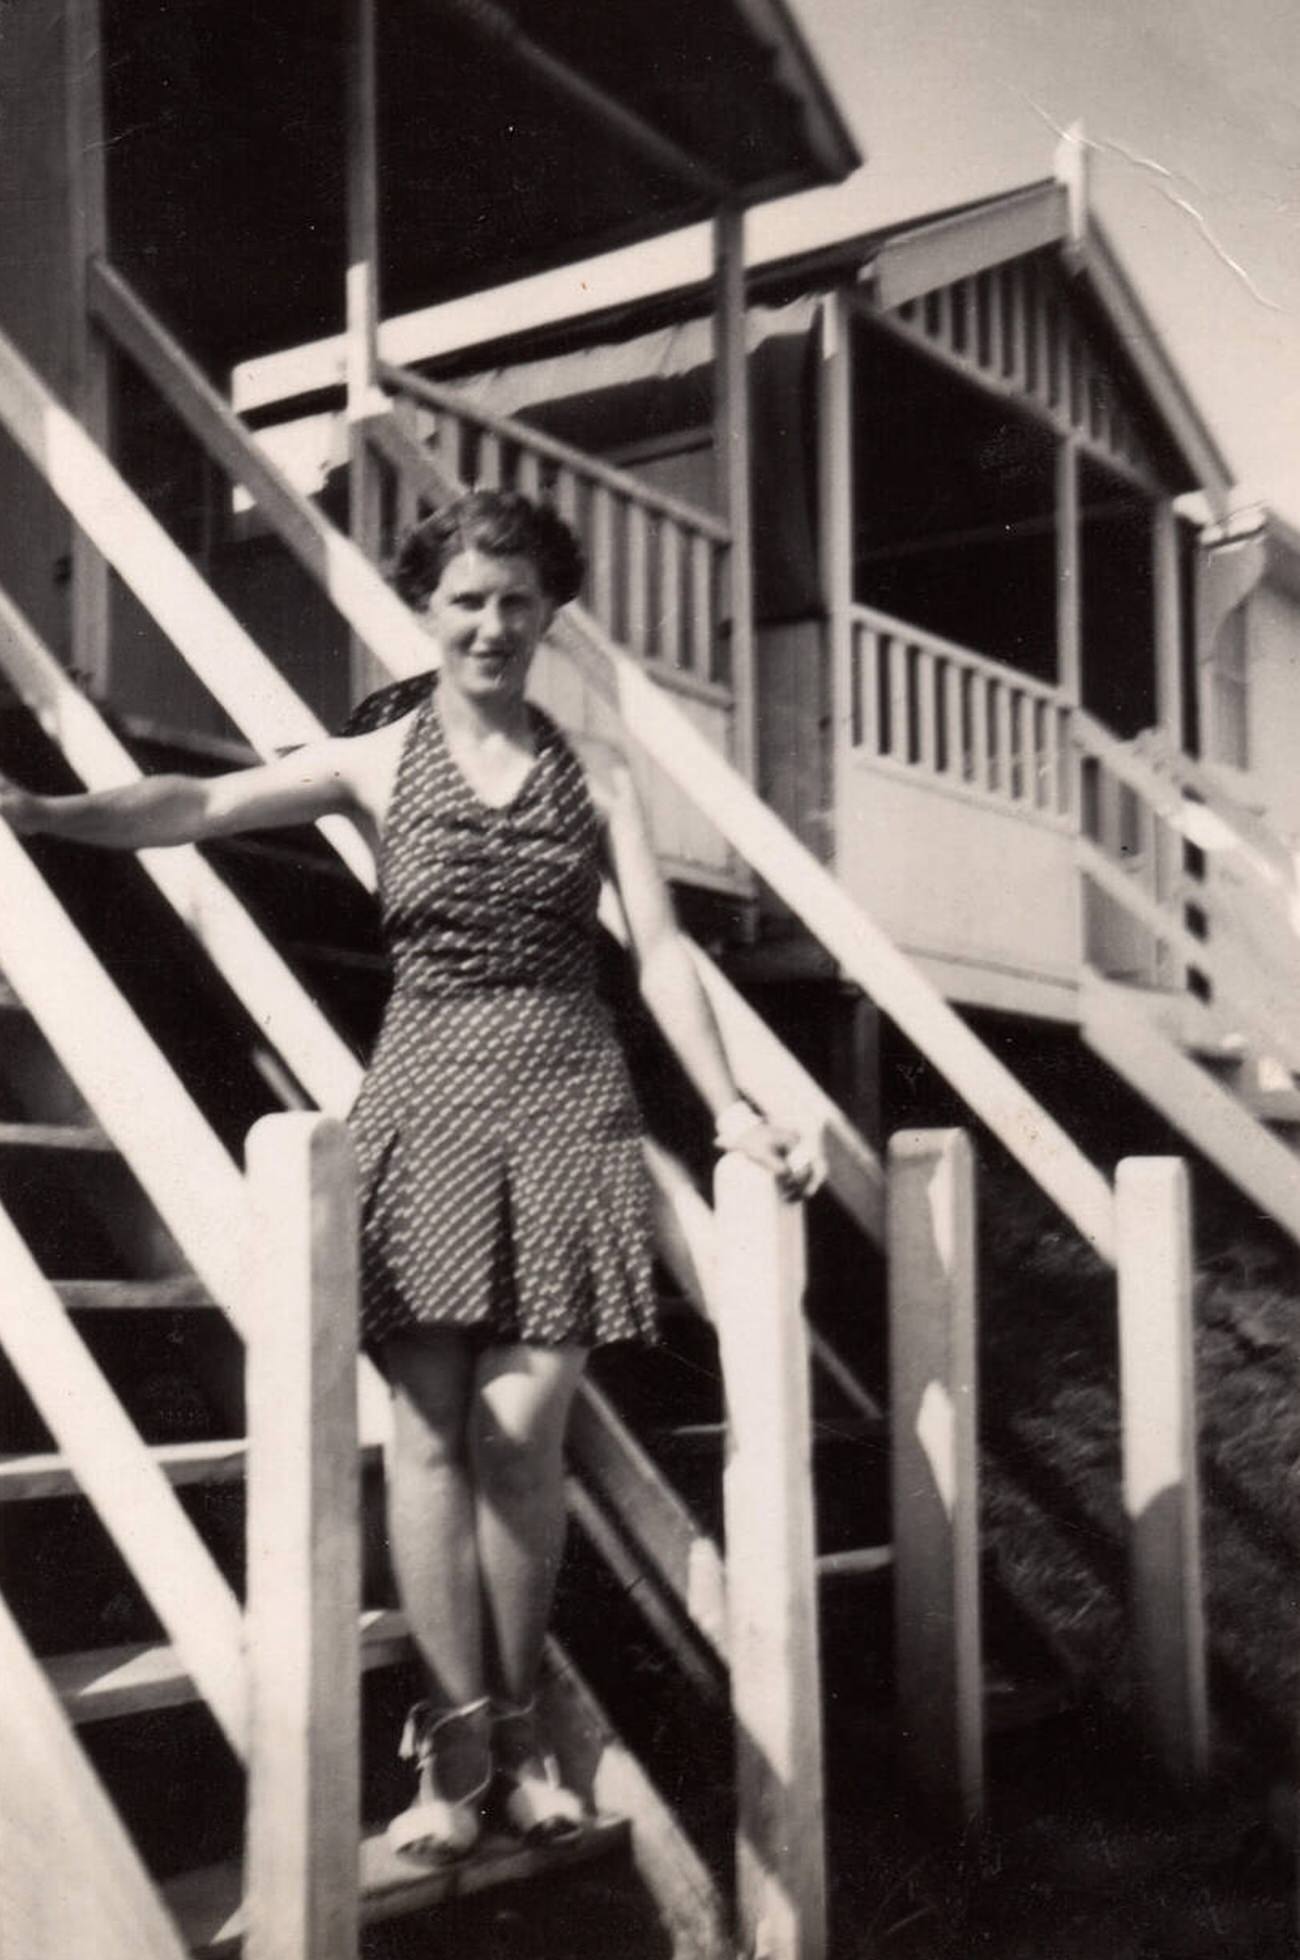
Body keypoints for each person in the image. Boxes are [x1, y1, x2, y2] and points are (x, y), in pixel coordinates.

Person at [0, 489, 814, 1862]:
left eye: (516, 602)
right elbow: (196, 798)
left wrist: (730, 1104)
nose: (491, 625)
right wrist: (40, 808)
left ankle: (521, 1728)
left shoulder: (599, 768)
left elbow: (664, 955)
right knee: (430, 1432)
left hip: (566, 1092)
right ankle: (456, 1753)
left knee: (522, 1426)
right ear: (427, 612)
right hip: (425, 1094)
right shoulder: (380, 758)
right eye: (465, 601)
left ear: (550, 615)